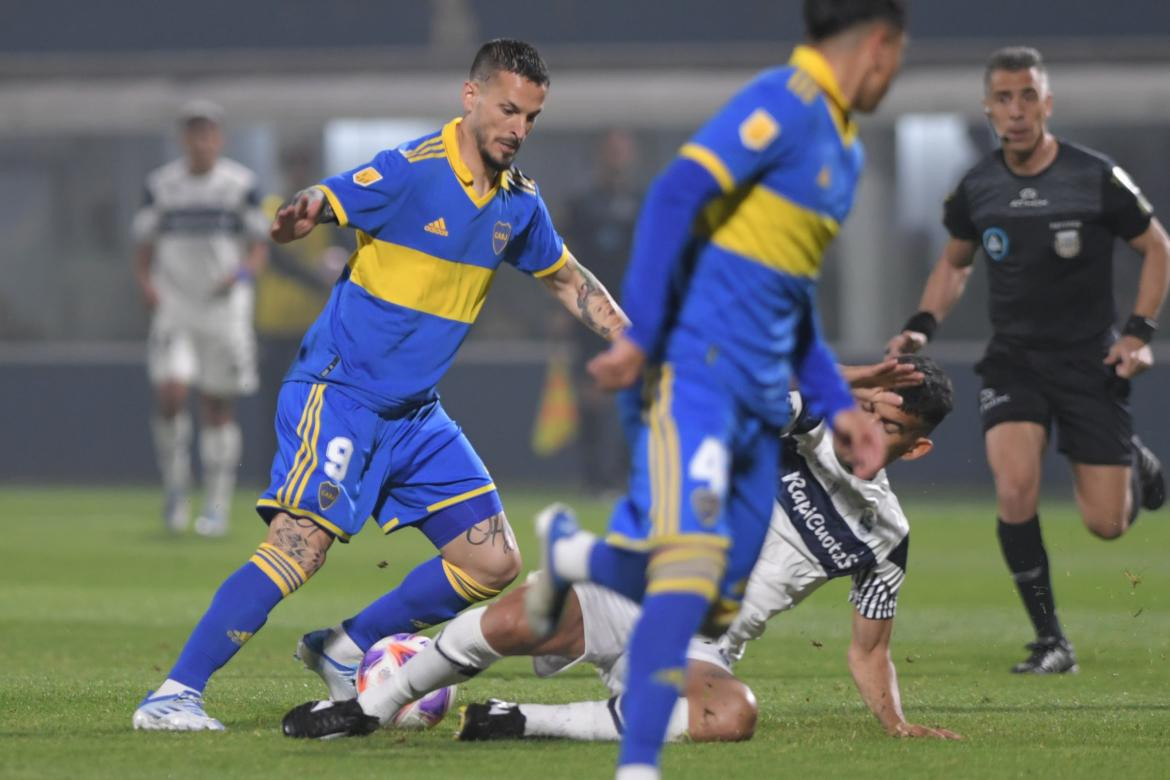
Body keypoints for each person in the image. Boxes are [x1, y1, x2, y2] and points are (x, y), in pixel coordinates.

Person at [132, 39, 628, 731]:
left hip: (415, 414)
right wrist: (304, 209)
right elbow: (330, 197)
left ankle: (345, 647)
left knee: (491, 561)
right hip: (340, 393)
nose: (517, 128)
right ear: (471, 96)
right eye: (508, 109)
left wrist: (636, 345)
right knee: (299, 546)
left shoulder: (519, 203)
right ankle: (173, 695)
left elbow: (570, 279)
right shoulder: (413, 170)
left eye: (531, 117)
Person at [529, 3, 907, 777]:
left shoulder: (844, 151)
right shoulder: (787, 103)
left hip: (761, 393)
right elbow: (674, 195)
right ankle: (639, 765)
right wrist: (639, 336)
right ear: (880, 44)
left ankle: (573, 551)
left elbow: (792, 297)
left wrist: (838, 406)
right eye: (900, 55)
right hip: (700, 371)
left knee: (715, 595)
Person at [279, 357, 960, 744]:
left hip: (698, 649)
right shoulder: (803, 427)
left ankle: (520, 722)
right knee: (517, 620)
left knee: (735, 716)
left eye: (889, 425)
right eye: (867, 408)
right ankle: (364, 710)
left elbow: (870, 649)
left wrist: (896, 723)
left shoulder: (885, 536)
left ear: (916, 447)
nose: (865, 428)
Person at [886, 46, 1169, 675]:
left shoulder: (1093, 175)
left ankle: (1131, 459)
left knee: (1106, 526)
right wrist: (921, 326)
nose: (1017, 110)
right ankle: (1051, 642)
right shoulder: (977, 186)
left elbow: (1158, 247)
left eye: (1028, 96)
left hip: (1089, 361)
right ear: (988, 110)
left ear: (1047, 103)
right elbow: (956, 263)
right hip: (1013, 360)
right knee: (1013, 486)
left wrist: (1138, 333)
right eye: (1004, 99)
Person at [131, 99, 269, 537]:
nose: (200, 140)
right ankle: (175, 488)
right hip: (175, 307)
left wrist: (243, 273)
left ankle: (216, 502)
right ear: (182, 138)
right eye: (193, 131)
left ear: (219, 138)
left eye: (207, 131)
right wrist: (146, 284)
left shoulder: (239, 185)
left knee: (216, 405)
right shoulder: (161, 186)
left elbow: (259, 245)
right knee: (170, 392)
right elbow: (143, 244)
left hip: (224, 310)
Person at [559, 129, 643, 490]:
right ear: (601, 155)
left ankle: (627, 476)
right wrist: (559, 312)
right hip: (588, 313)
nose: (617, 158)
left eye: (622, 151)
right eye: (611, 151)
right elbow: (563, 261)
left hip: (634, 316)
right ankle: (593, 478)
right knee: (591, 393)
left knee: (635, 392)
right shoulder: (582, 205)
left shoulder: (642, 205)